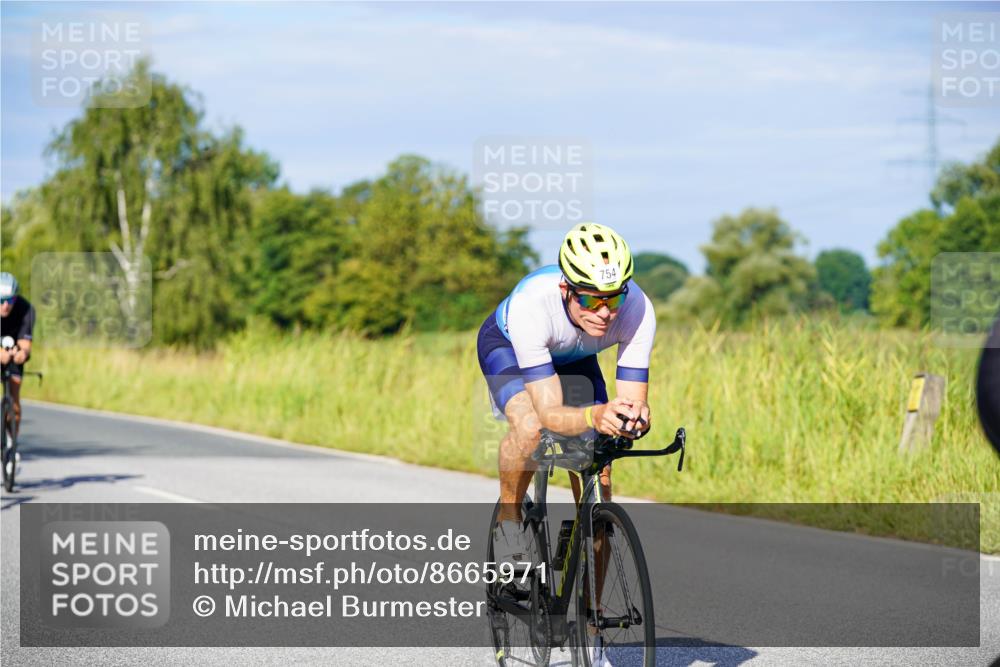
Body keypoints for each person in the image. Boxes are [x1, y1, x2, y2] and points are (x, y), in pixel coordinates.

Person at [477, 223, 656, 565]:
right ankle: (510, 523)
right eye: (591, 299)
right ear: (566, 289)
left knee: (600, 472)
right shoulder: (532, 305)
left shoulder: (638, 309)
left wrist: (635, 417)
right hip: (509, 348)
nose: (605, 313)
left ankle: (593, 616)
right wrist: (595, 415)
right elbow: (549, 413)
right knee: (529, 426)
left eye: (614, 298)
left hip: (576, 355)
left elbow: (633, 397)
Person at [0, 272, 36, 437]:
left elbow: (25, 343)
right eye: (1, 301)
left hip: (13, 352)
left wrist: (22, 354)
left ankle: (12, 441)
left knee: (14, 399)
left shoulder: (25, 309)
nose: (5, 305)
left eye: (10, 300)